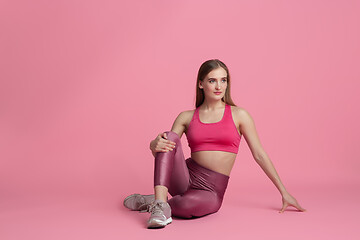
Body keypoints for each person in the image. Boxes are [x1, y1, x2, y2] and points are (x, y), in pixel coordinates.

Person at [123, 59, 306, 229]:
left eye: (223, 80)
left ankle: (155, 200)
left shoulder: (239, 115)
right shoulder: (186, 116)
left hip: (211, 190)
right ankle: (161, 206)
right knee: (168, 136)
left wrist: (284, 192)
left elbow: (259, 154)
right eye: (212, 81)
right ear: (201, 84)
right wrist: (153, 144)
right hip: (184, 177)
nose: (219, 86)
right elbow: (165, 154)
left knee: (184, 205)